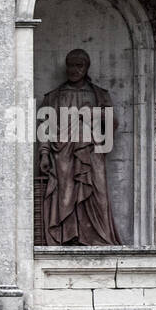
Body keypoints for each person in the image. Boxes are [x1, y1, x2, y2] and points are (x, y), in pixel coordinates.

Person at [37, 48, 121, 246]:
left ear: (86, 68)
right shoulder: (54, 97)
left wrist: (95, 115)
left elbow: (112, 123)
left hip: (92, 152)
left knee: (98, 194)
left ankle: (98, 238)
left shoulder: (99, 95)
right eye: (70, 65)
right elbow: (44, 127)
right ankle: (68, 238)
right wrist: (43, 153)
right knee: (65, 197)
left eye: (79, 65)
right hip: (63, 153)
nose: (74, 70)